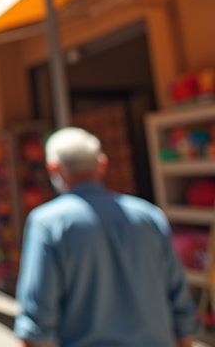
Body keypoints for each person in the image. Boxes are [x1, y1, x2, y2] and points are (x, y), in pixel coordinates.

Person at [15, 127, 197, 347]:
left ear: (53, 168)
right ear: (102, 164)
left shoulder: (47, 223)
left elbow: (37, 321)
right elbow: (180, 302)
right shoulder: (149, 216)